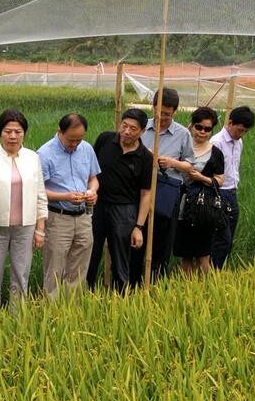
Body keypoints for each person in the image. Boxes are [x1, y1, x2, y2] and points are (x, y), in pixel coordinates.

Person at [0, 109, 47, 311]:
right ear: (0, 133)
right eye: (7, 131)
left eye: (18, 131)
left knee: (21, 274)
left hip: (26, 226)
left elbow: (41, 194)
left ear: (24, 133)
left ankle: (18, 319)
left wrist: (40, 229)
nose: (13, 136)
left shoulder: (33, 158)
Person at [86, 108, 153, 292]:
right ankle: (85, 296)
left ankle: (121, 299)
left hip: (124, 211)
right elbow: (90, 170)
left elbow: (146, 193)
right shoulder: (105, 140)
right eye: (124, 126)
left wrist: (139, 227)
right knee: (90, 254)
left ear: (142, 131)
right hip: (97, 206)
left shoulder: (145, 157)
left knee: (120, 259)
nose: (126, 131)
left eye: (133, 128)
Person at [37, 113, 101, 296]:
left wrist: (92, 192)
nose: (74, 144)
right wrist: (64, 196)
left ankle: (72, 310)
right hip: (58, 217)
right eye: (71, 140)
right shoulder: (45, 153)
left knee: (80, 267)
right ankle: (52, 310)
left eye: (79, 140)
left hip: (83, 216)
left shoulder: (87, 149)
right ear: (60, 131)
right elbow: (38, 191)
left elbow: (93, 179)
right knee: (55, 268)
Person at [139, 87, 194, 282]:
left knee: (162, 242)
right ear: (152, 107)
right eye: (159, 112)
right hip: (140, 191)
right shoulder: (142, 128)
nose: (162, 117)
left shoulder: (182, 134)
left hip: (167, 192)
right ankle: (134, 282)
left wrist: (172, 163)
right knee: (138, 237)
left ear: (175, 111)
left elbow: (189, 165)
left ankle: (157, 281)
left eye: (167, 114)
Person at [173, 107, 226, 275]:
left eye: (207, 129)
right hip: (181, 205)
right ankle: (187, 289)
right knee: (185, 252)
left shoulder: (215, 153)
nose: (202, 132)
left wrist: (201, 178)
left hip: (202, 208)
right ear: (192, 126)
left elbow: (220, 180)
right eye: (199, 127)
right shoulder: (181, 146)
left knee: (203, 253)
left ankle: (204, 288)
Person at [209, 105, 255, 269]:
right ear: (230, 122)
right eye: (239, 130)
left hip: (232, 193)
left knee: (228, 240)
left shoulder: (239, 142)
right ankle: (212, 272)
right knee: (222, 239)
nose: (241, 134)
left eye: (245, 131)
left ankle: (218, 270)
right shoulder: (216, 142)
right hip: (218, 193)